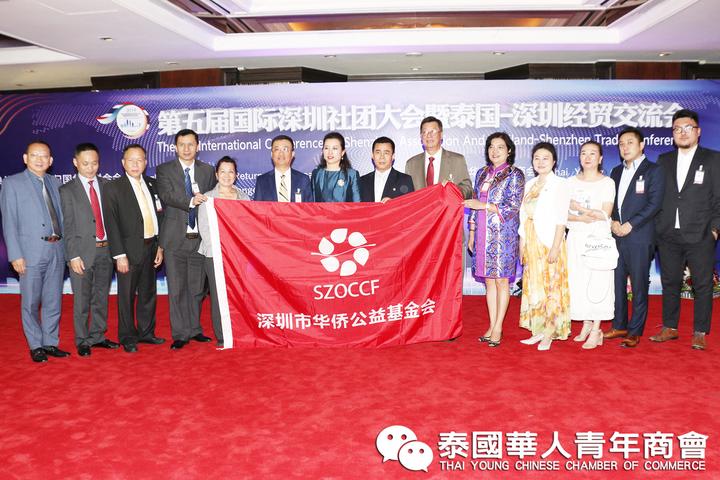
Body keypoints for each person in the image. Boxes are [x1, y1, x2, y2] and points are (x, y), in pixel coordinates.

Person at [651, 109, 720, 350]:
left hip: (701, 233)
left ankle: (700, 331)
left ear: (698, 131)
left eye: (688, 128)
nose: (682, 133)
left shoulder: (713, 159)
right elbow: (658, 197)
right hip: (668, 233)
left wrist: (714, 230)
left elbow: (718, 198)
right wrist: (658, 228)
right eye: (677, 129)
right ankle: (670, 327)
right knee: (670, 282)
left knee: (702, 284)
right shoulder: (664, 160)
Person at [0, 140, 69, 362]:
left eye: (44, 156)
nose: (40, 160)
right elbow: (9, 222)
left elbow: (62, 218)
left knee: (53, 300)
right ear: (25, 158)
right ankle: (35, 345)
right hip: (29, 253)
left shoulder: (55, 183)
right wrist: (15, 255)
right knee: (30, 302)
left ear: (51, 160)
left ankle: (50, 342)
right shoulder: (12, 184)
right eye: (34, 155)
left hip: (57, 250)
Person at [156, 128, 217, 350]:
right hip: (174, 239)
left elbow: (213, 199)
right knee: (177, 289)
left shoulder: (207, 171)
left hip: (200, 239)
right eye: (182, 144)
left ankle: (194, 329)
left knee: (196, 289)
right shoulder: (164, 170)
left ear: (198, 146)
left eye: (191, 144)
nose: (186, 148)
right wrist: (191, 201)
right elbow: (167, 196)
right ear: (175, 147)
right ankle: (180, 333)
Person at [102, 144, 165, 353]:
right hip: (127, 252)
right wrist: (119, 255)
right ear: (123, 163)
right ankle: (127, 336)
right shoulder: (113, 188)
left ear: (146, 162)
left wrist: (160, 246)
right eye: (131, 160)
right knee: (126, 296)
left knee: (148, 293)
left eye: (140, 160)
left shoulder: (153, 184)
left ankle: (146, 332)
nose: (135, 164)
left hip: (151, 246)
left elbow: (160, 216)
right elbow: (111, 223)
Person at [463, 132, 524, 347]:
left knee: (501, 281)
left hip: (503, 236)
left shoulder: (515, 174)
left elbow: (513, 206)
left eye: (500, 147)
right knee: (488, 282)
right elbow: (474, 205)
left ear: (509, 151)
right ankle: (491, 324)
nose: (495, 151)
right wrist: (471, 233)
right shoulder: (482, 173)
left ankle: (498, 327)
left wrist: (485, 206)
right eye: (491, 147)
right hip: (482, 235)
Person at [605, 127, 664, 348]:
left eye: (630, 142)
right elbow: (611, 202)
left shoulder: (654, 170)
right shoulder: (616, 171)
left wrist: (630, 224)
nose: (625, 147)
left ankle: (635, 330)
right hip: (617, 235)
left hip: (640, 235)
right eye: (621, 144)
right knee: (617, 283)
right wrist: (613, 221)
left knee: (639, 285)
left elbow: (654, 204)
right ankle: (619, 324)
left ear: (641, 145)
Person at [59, 143, 118, 357]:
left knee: (101, 297)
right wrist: (73, 255)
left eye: (94, 163)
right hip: (81, 253)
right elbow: (67, 226)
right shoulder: (67, 190)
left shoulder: (107, 185)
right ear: (75, 163)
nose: (90, 168)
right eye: (85, 163)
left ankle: (98, 336)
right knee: (82, 300)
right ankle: (82, 339)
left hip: (106, 250)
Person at [518, 142, 571, 351]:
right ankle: (538, 330)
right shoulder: (530, 184)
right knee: (535, 288)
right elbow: (523, 216)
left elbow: (561, 219)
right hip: (531, 241)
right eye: (537, 158)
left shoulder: (560, 184)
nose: (540, 162)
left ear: (554, 161)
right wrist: (522, 243)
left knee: (551, 288)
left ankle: (549, 333)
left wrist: (556, 247)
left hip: (550, 241)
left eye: (545, 158)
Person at [565, 141, 616, 350]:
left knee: (598, 284)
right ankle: (586, 323)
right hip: (576, 238)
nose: (587, 157)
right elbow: (562, 214)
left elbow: (605, 214)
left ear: (600, 158)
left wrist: (579, 208)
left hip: (597, 240)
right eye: (584, 153)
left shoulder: (607, 183)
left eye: (592, 153)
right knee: (578, 282)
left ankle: (597, 329)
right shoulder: (569, 182)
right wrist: (580, 216)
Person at [198, 157, 250, 346]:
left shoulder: (244, 198)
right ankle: (222, 335)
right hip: (215, 254)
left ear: (236, 175)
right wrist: (222, 250)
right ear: (216, 174)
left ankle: (239, 330)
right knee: (218, 295)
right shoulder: (207, 198)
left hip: (238, 256)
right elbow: (204, 229)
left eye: (231, 172)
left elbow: (248, 228)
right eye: (223, 171)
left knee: (239, 294)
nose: (226, 176)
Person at [405, 116, 472, 199]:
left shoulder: (457, 160)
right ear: (421, 136)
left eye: (433, 131)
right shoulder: (411, 164)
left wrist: (454, 189)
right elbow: (406, 195)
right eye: (425, 132)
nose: (429, 135)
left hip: (447, 207)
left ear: (441, 134)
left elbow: (468, 189)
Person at [253, 134, 313, 202]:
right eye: (277, 149)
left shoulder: (303, 180)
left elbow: (309, 207)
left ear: (292, 154)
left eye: (285, 149)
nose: (281, 153)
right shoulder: (262, 181)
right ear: (272, 154)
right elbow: (257, 207)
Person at [359, 136, 415, 202]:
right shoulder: (362, 181)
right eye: (378, 152)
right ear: (372, 155)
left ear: (393, 156)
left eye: (386, 153)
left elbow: (410, 205)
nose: (382, 157)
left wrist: (394, 204)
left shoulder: (405, 180)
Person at [311, 132, 361, 202]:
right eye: (326, 148)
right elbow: (312, 203)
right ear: (322, 151)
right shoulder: (316, 174)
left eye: (334, 148)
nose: (330, 152)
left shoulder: (352, 175)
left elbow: (357, 204)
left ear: (342, 152)